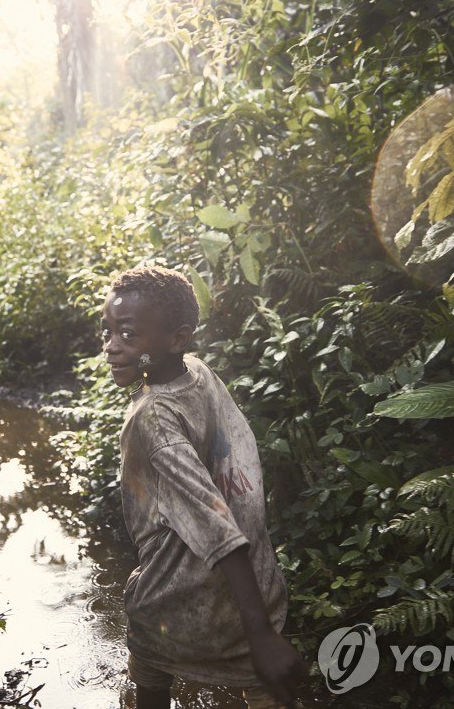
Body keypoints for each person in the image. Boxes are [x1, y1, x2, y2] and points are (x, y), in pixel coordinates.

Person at [100, 265, 305, 709]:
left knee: (151, 676)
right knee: (267, 690)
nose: (112, 349)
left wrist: (262, 636)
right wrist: (262, 628)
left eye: (128, 335)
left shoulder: (152, 419)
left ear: (177, 339)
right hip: (257, 587)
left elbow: (215, 526)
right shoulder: (196, 371)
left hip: (179, 600)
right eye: (108, 332)